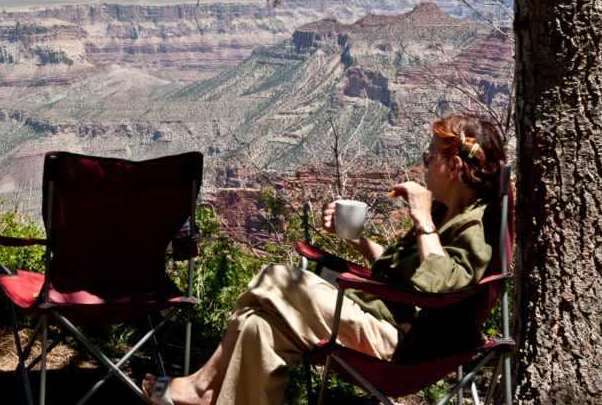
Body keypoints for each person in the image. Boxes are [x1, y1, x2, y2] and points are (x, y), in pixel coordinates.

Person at [143, 112, 505, 405]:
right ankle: (205, 393)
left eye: (429, 157)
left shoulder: (474, 226)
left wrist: (422, 219)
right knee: (258, 327)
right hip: (378, 315)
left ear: (454, 165)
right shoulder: (446, 211)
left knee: (277, 278)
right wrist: (359, 240)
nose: (424, 164)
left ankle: (203, 386)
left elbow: (439, 289)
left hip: (399, 343)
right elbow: (402, 276)